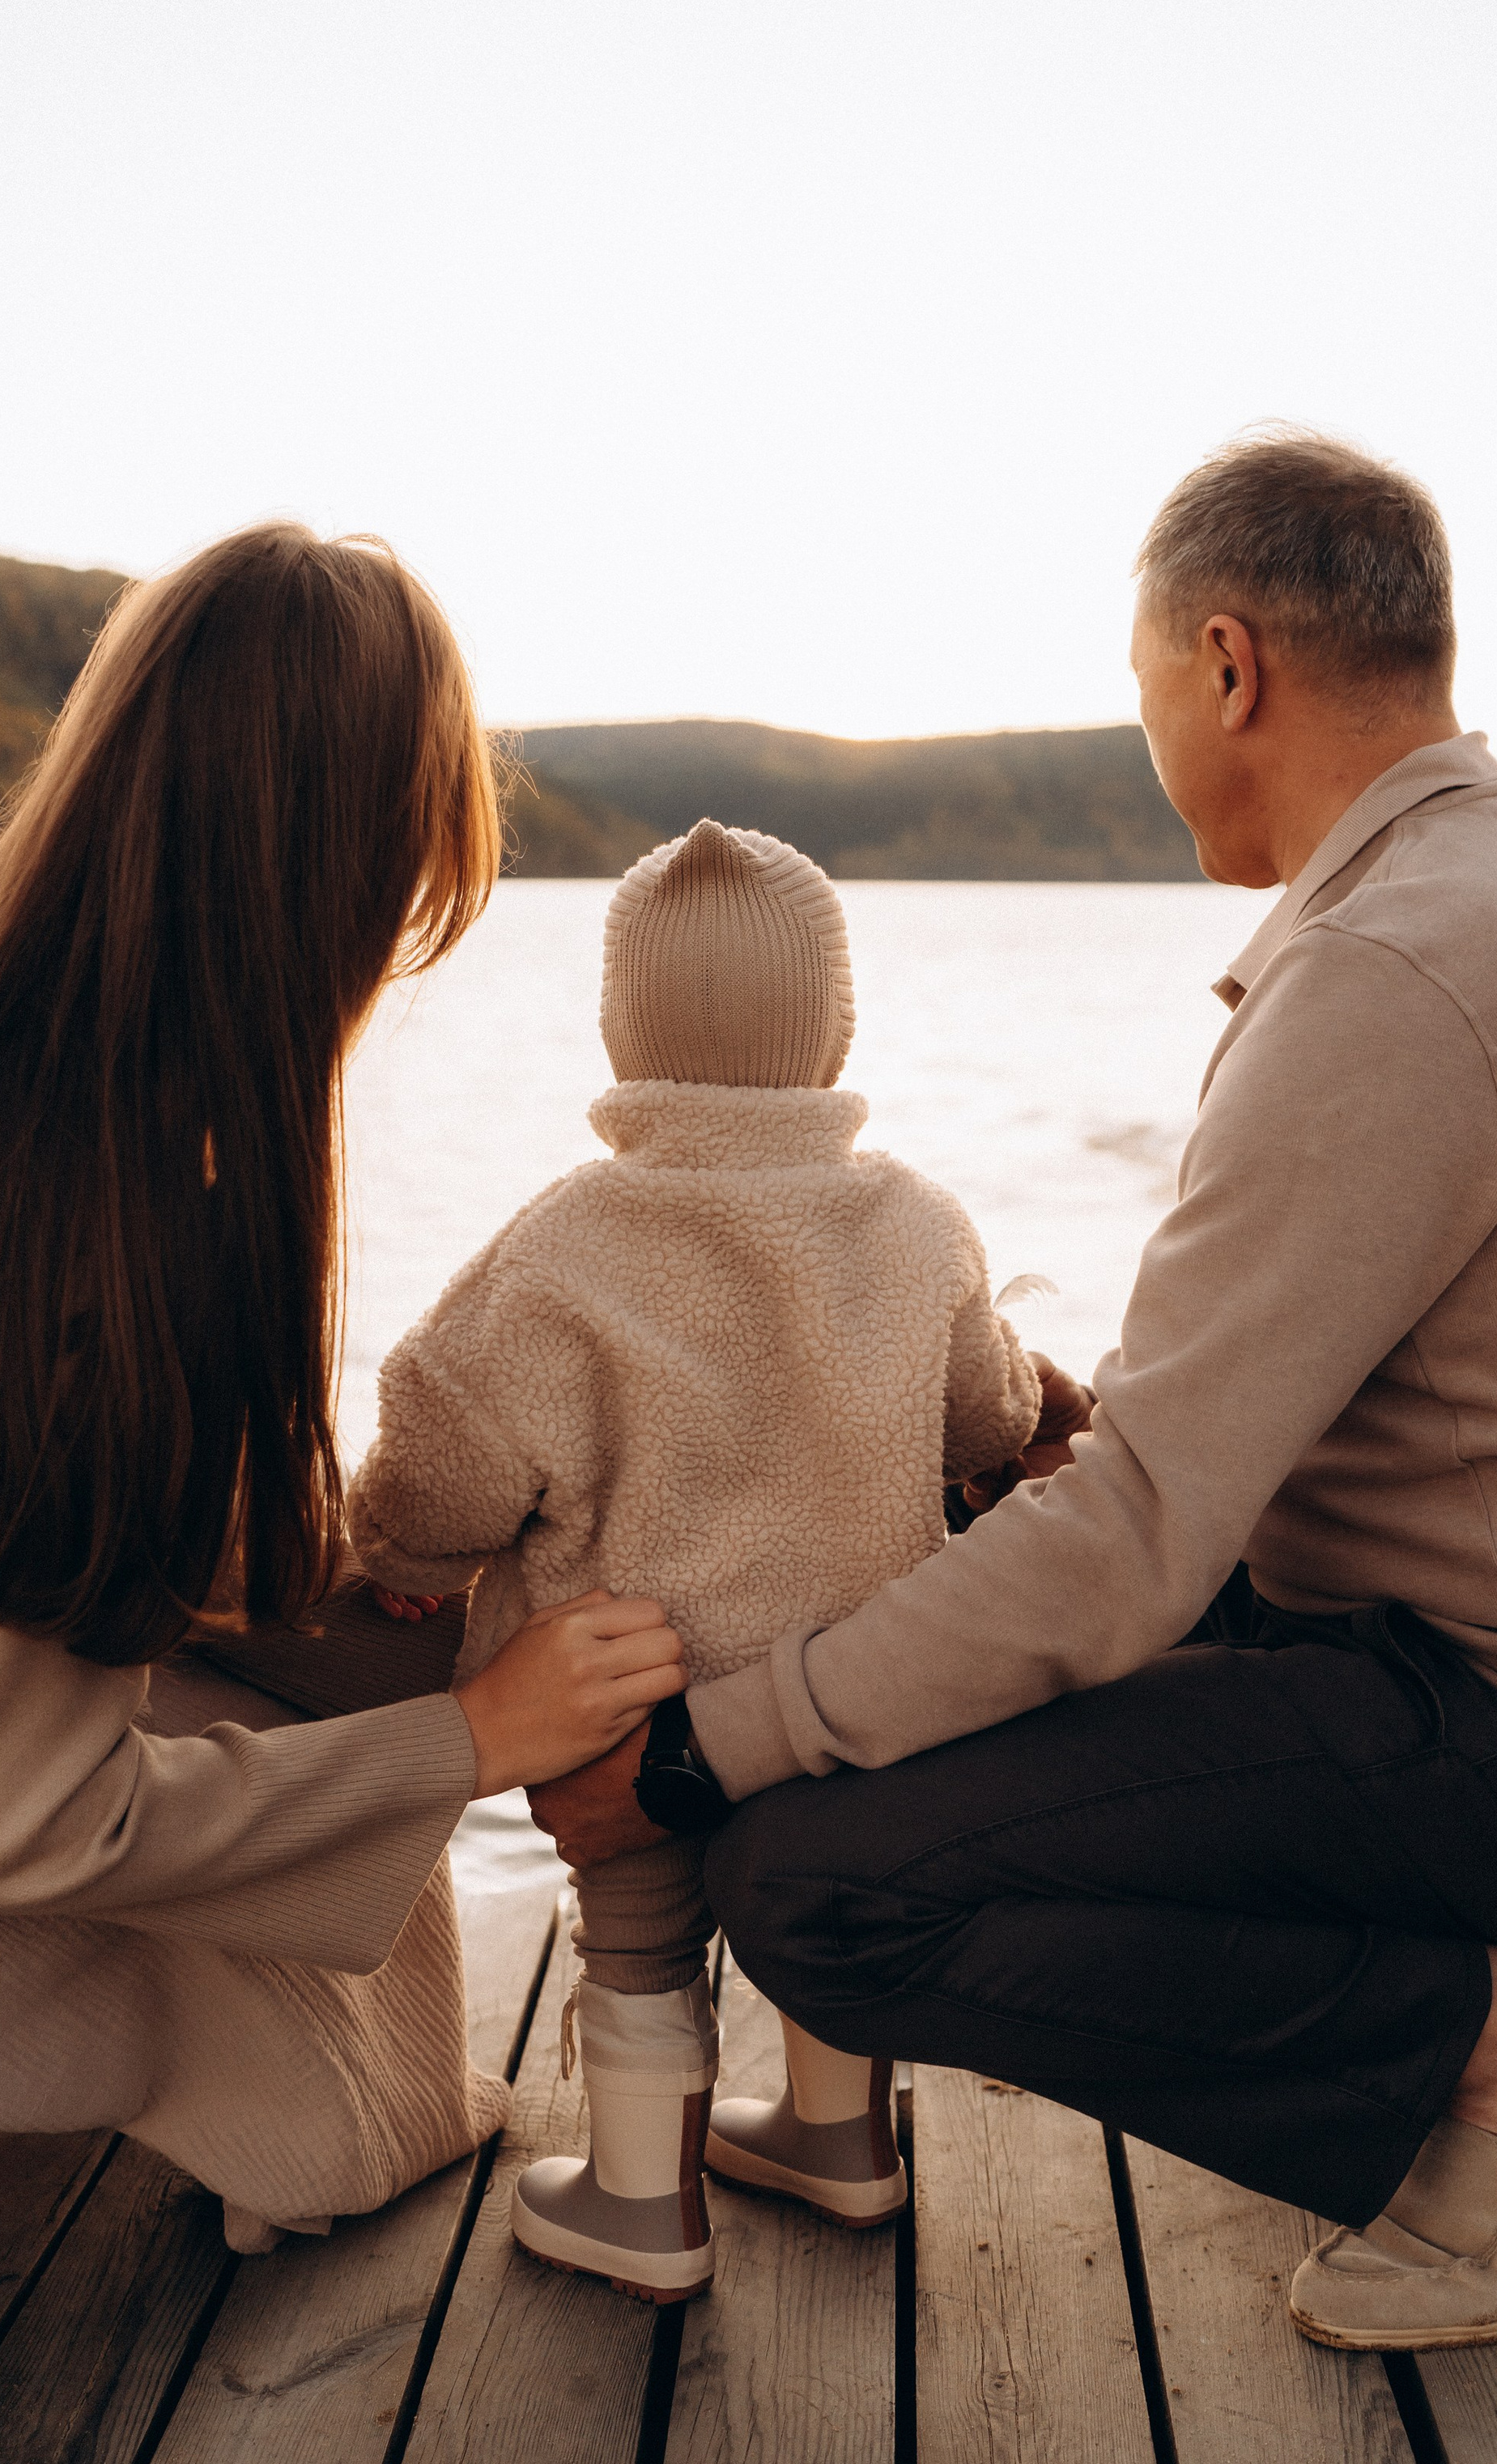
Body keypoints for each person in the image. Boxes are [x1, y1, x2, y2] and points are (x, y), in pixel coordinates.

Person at [533, 430, 1497, 2354]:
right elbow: (1402, 1415)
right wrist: (1107, 1458)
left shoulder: (1393, 968)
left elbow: (1130, 1555)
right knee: (948, 1633)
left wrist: (690, 1755)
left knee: (813, 1879)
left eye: (1146, 685)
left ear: (1227, 665)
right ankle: (1476, 2011)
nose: (1151, 734)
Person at [0, 525, 685, 2461]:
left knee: (291, 1865)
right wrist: (473, 1735)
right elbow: (23, 1830)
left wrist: (372, 1612)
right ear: (337, 881)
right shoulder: (63, 1199)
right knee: (315, 2065)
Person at [353, 818, 1040, 2295]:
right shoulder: (917, 1223)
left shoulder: (564, 1245)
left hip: (633, 1709)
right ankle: (840, 2142)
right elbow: (987, 1413)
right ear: (837, 1024)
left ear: (618, 1028)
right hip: (856, 1699)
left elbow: (446, 1444)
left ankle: (639, 2203)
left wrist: (401, 1547)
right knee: (832, 1900)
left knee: (641, 1939)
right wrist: (1033, 1400)